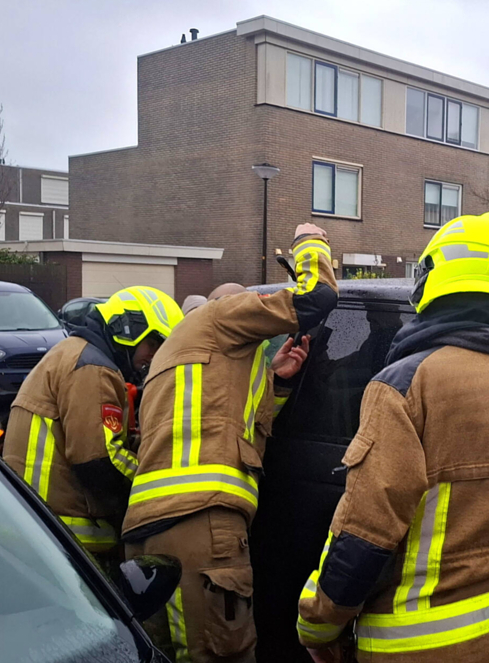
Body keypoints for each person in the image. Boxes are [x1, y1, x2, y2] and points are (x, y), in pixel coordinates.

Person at [297, 212, 489, 663]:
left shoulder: (404, 383)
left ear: (431, 280)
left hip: (408, 648)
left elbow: (365, 534)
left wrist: (318, 626)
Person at [122, 223, 339, 663]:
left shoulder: (177, 353)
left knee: (161, 654)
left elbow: (229, 425)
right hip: (201, 524)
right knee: (223, 654)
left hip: (145, 533)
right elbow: (317, 298)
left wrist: (273, 383)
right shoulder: (221, 315)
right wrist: (310, 243)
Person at [2, 286, 183, 559]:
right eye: (154, 343)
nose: (154, 355)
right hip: (66, 537)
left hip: (37, 526)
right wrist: (160, 481)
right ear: (127, 329)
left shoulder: (76, 353)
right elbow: (99, 461)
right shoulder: (93, 369)